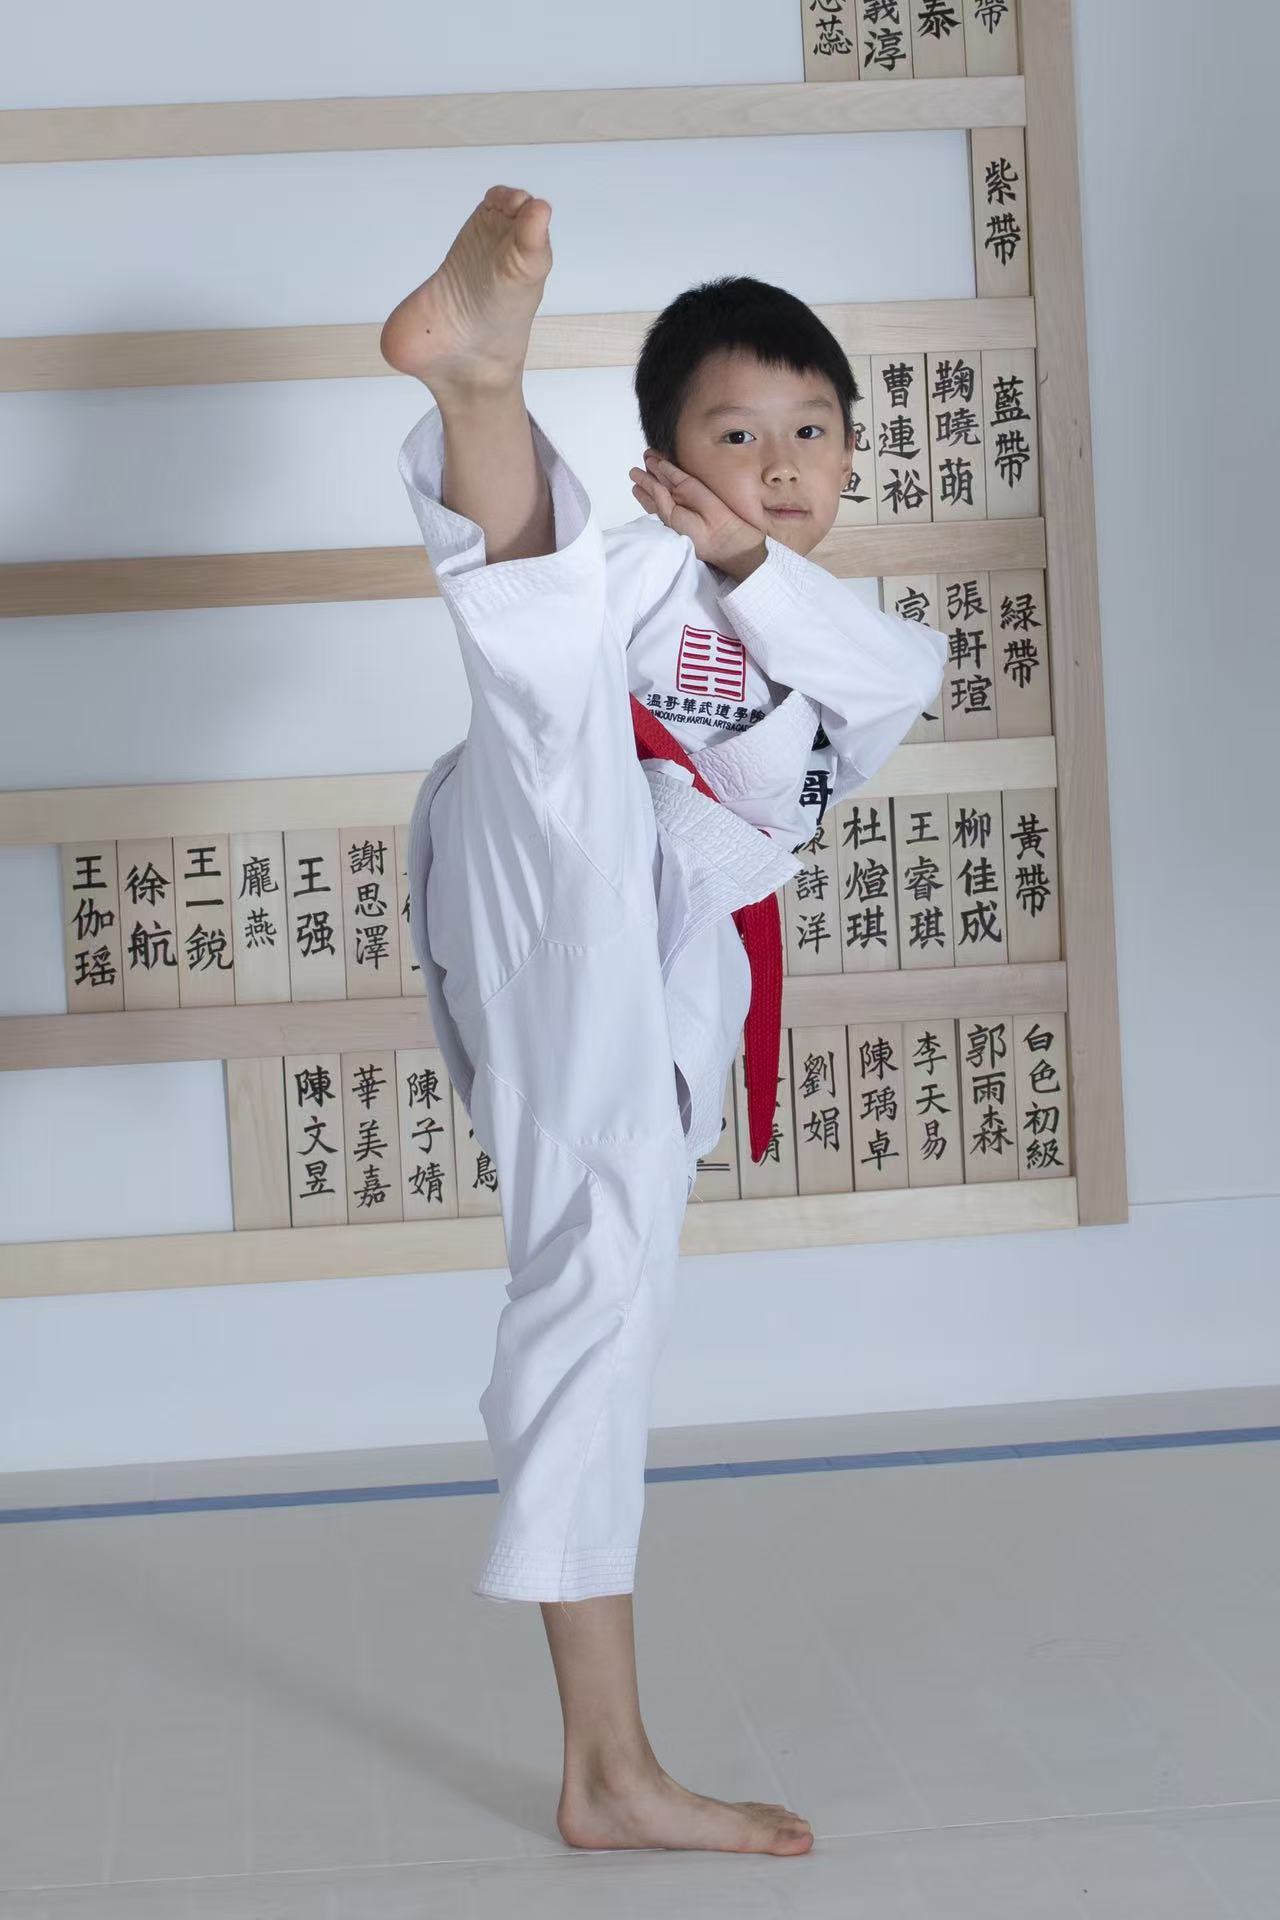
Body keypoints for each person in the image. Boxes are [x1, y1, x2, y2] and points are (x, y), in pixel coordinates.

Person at [380, 184, 947, 1857]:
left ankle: (605, 1767)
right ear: (660, 457)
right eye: (735, 430)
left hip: (617, 941)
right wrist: (679, 556)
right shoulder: (629, 569)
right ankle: (480, 384)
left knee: (598, 1275)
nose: (779, 457)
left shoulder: (851, 648)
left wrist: (750, 566)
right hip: (562, 848)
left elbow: (885, 681)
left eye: (811, 428)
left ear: (848, 459)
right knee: (552, 687)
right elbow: (547, 639)